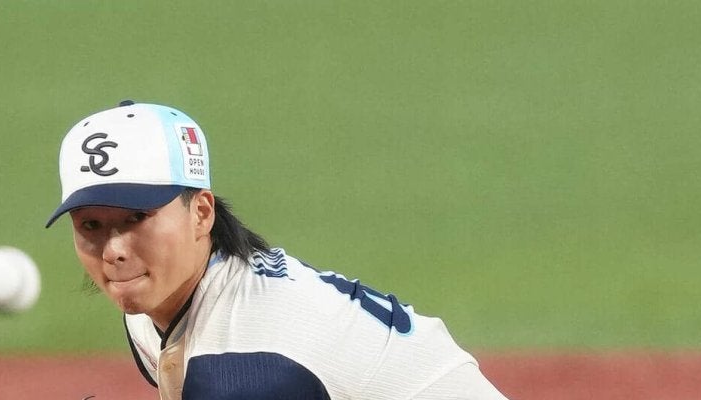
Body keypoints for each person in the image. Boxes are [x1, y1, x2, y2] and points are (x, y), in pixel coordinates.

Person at [45, 100, 508, 400]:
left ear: (201, 213)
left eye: (137, 218)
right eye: (91, 225)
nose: (114, 250)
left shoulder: (246, 361)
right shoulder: (163, 301)